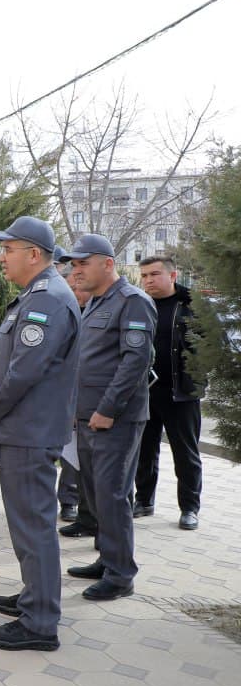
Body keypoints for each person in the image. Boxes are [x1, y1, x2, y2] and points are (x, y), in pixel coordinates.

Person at [0, 216, 80, 651]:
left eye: (7, 248)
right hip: (24, 426)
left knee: (33, 525)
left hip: (29, 431)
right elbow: (19, 367)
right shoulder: (40, 295)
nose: (0, 256)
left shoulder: (47, 300)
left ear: (34, 254)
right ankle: (35, 597)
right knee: (28, 523)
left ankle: (39, 623)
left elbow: (25, 372)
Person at [60, 234, 156, 601]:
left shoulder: (132, 302)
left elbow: (135, 362)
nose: (76, 269)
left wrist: (107, 409)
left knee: (113, 494)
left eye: (83, 263)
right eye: (74, 264)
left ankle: (120, 575)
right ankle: (107, 556)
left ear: (108, 264)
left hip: (113, 418)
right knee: (97, 492)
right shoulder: (97, 303)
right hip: (87, 416)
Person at [135, 255, 204, 530]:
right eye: (144, 276)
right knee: (144, 450)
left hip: (182, 393)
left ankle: (189, 508)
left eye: (154, 274)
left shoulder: (193, 307)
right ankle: (144, 501)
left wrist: (198, 375)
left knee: (185, 454)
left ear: (172, 276)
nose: (148, 280)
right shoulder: (138, 304)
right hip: (144, 392)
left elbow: (214, 345)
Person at [58, 264, 98, 535]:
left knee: (94, 466)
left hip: (98, 405)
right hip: (69, 400)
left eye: (78, 287)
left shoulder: (100, 313)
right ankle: (75, 509)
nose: (75, 292)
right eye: (71, 288)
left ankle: (92, 518)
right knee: (72, 457)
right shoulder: (66, 314)